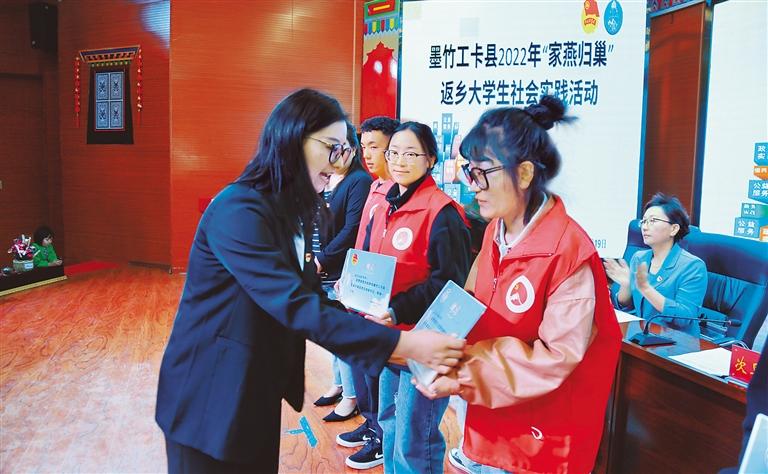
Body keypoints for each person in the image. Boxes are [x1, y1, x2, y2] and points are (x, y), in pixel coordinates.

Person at [154, 89, 465, 474]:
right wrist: (403, 345)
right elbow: (296, 306)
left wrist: (393, 340)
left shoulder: (289, 211)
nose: (340, 162)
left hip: (253, 390)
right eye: (332, 148)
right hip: (208, 395)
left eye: (344, 150)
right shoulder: (239, 210)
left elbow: (312, 299)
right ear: (291, 139)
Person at [415, 96, 623, 474]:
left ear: (524, 174)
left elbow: (556, 357)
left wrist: (462, 373)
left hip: (539, 439)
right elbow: (469, 302)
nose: (473, 186)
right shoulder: (495, 230)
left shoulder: (568, 250)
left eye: (482, 173)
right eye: (469, 172)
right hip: (494, 419)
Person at [363, 121, 472, 473]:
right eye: (393, 153)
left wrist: (397, 310)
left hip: (424, 343)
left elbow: (448, 285)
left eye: (411, 154)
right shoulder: (386, 203)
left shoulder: (443, 213)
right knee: (389, 422)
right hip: (389, 338)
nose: (399, 161)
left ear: (431, 159)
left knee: (415, 439)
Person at [336, 115, 400, 469]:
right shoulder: (376, 188)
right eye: (365, 146)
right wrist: (348, 275)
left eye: (375, 146)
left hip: (384, 301)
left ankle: (380, 435)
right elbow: (361, 241)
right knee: (362, 366)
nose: (368, 154)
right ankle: (371, 423)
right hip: (361, 291)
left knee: (377, 370)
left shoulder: (398, 192)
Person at [313, 121, 372, 422]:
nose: (336, 153)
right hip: (324, 269)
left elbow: (352, 229)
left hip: (339, 270)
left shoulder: (359, 180)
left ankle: (351, 397)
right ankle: (339, 385)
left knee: (343, 337)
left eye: (342, 147)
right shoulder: (331, 177)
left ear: (353, 148)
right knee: (333, 336)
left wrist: (322, 259)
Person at [605, 193, 708, 336]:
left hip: (679, 342)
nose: (644, 227)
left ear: (674, 229)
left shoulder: (693, 266)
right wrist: (626, 285)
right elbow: (627, 306)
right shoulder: (639, 258)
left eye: (653, 221)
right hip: (643, 335)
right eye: (644, 221)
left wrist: (646, 289)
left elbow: (684, 318)